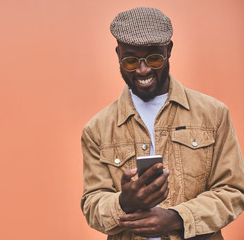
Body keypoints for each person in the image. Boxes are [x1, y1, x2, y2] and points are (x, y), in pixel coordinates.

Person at [80, 7, 244, 240]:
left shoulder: (214, 114)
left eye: (154, 58)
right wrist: (123, 202)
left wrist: (177, 219)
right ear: (117, 54)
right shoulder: (96, 130)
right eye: (130, 61)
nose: (143, 69)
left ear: (169, 50)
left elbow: (233, 191)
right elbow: (92, 204)